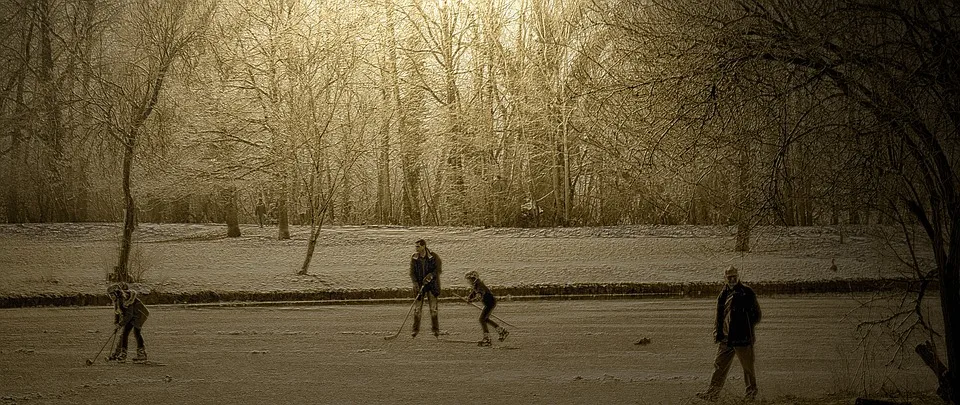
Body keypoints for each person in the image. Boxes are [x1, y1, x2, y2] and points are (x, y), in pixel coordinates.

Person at [696, 266, 762, 402]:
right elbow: (719, 317)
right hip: (725, 338)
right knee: (719, 366)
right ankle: (712, 394)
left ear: (738, 276)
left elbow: (757, 315)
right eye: (729, 277)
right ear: (725, 278)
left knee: (747, 368)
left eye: (734, 276)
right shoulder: (723, 294)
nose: (732, 279)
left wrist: (744, 327)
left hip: (742, 338)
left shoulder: (746, 292)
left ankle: (751, 395)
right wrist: (718, 332)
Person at [106, 282, 150, 362]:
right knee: (124, 333)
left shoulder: (126, 299)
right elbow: (118, 312)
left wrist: (120, 324)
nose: (111, 297)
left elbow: (129, 315)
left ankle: (141, 354)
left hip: (140, 314)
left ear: (117, 293)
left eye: (112, 295)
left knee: (136, 332)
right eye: (110, 295)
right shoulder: (117, 300)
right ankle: (119, 353)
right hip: (132, 316)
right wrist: (116, 322)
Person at [464, 271, 508, 346]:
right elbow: (474, 293)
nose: (469, 281)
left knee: (482, 319)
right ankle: (501, 331)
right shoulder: (476, 285)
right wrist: (469, 298)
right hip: (490, 303)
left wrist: (474, 299)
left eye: (469, 279)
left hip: (490, 303)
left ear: (473, 278)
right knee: (485, 319)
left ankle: (487, 339)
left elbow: (479, 293)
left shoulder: (479, 284)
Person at [410, 239, 441, 338]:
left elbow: (438, 270)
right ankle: (415, 330)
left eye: (418, 246)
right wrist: (415, 283)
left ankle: (435, 330)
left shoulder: (433, 257)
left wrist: (430, 276)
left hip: (431, 286)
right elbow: (412, 272)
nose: (416, 248)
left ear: (423, 246)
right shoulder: (414, 258)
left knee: (433, 309)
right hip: (420, 286)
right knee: (417, 309)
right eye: (416, 246)